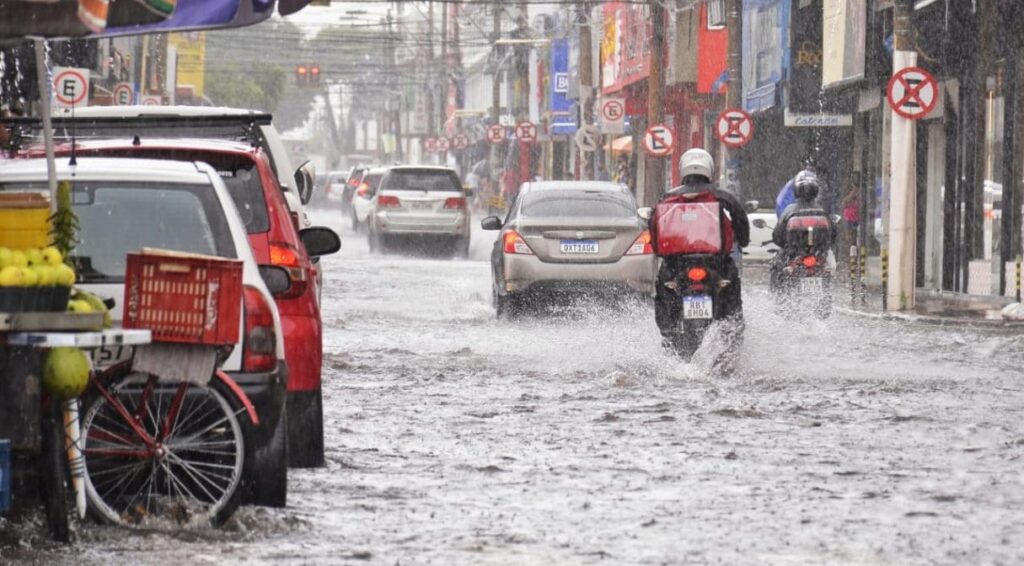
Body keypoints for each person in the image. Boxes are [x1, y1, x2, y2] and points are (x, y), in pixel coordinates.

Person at [651, 148, 751, 330]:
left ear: (683, 170)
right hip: (716, 263)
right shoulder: (721, 196)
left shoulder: (668, 198)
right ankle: (732, 329)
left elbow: (654, 225)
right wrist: (743, 240)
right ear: (709, 169)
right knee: (731, 288)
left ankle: (669, 329)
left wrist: (659, 250)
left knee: (664, 288)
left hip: (676, 264)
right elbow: (740, 217)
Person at [772, 169, 836, 248]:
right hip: (819, 253)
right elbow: (833, 235)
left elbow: (777, 237)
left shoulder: (788, 210)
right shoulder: (822, 211)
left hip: (793, 254)